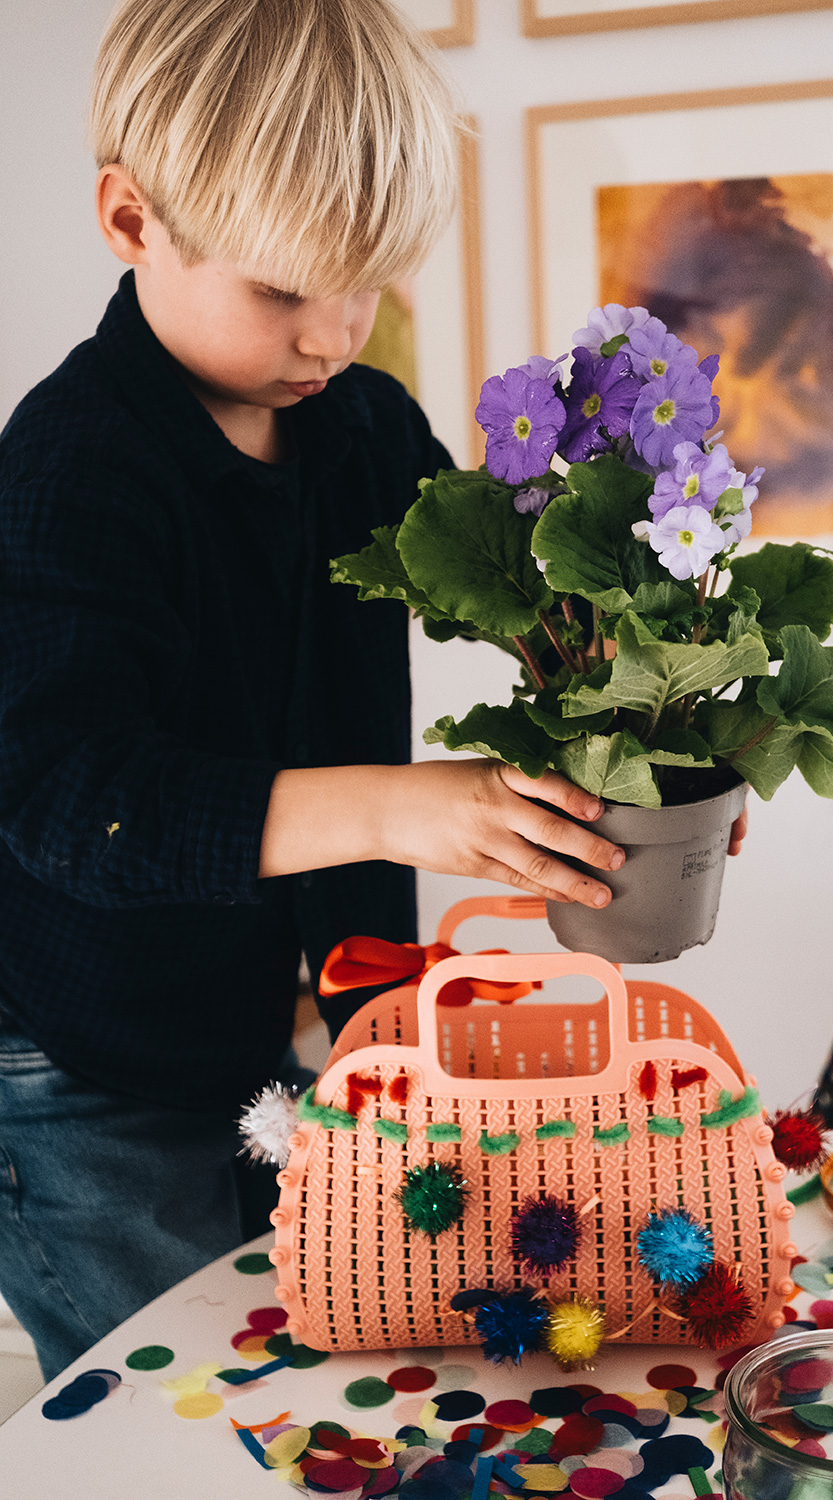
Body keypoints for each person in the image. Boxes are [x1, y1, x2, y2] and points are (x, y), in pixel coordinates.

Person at [0, 0, 746, 1382]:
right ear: (127, 220)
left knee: (307, 1334)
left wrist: (652, 778)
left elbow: (538, 624)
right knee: (165, 1385)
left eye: (366, 286)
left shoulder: (358, 430)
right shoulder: (69, 469)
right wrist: (406, 811)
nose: (333, 334)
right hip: (74, 1062)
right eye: (286, 291)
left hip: (267, 1018)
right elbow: (69, 805)